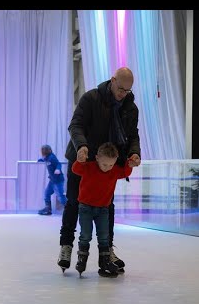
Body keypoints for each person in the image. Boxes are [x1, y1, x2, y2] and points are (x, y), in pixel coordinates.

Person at [57, 67, 141, 273]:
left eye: (127, 91)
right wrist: (82, 146)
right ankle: (66, 246)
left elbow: (133, 135)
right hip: (84, 160)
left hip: (108, 165)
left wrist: (134, 153)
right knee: (74, 202)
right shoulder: (91, 98)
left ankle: (107, 251)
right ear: (112, 81)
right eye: (120, 89)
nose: (123, 94)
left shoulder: (130, 108)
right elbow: (75, 125)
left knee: (106, 205)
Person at [72, 142, 133, 278]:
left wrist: (129, 164)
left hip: (103, 209)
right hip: (86, 207)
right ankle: (82, 259)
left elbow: (124, 172)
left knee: (104, 236)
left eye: (111, 165)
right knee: (86, 234)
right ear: (97, 158)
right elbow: (76, 170)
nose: (108, 168)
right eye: (105, 164)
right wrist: (80, 160)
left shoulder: (114, 170)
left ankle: (105, 261)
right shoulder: (89, 167)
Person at [37, 144, 67, 215]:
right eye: (43, 150)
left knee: (60, 196)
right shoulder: (46, 157)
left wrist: (57, 169)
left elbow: (58, 164)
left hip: (58, 181)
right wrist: (41, 160)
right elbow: (45, 159)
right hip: (52, 181)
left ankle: (69, 209)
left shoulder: (52, 157)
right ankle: (48, 209)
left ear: (48, 150)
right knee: (47, 193)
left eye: (45, 150)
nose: (43, 152)